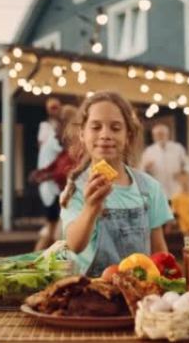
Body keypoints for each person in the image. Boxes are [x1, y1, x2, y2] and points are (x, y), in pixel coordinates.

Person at [59, 91, 172, 276]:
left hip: (139, 296)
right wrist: (91, 208)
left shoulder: (150, 188)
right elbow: (74, 246)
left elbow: (159, 251)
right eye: (96, 127)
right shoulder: (77, 187)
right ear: (82, 134)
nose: (105, 134)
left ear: (128, 135)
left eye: (116, 128)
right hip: (91, 294)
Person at [32, 104, 77, 251]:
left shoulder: (75, 151)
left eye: (58, 131)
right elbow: (55, 165)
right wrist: (41, 172)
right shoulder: (63, 152)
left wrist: (46, 175)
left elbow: (66, 171)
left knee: (56, 234)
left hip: (71, 200)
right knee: (53, 233)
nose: (56, 135)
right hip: (60, 197)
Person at [140, 124, 189, 199]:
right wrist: (146, 168)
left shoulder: (178, 148)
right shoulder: (149, 151)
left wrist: (183, 173)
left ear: (167, 135)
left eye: (162, 134)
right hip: (158, 191)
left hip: (176, 190)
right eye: (157, 134)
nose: (160, 137)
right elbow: (141, 170)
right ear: (154, 136)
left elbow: (188, 164)